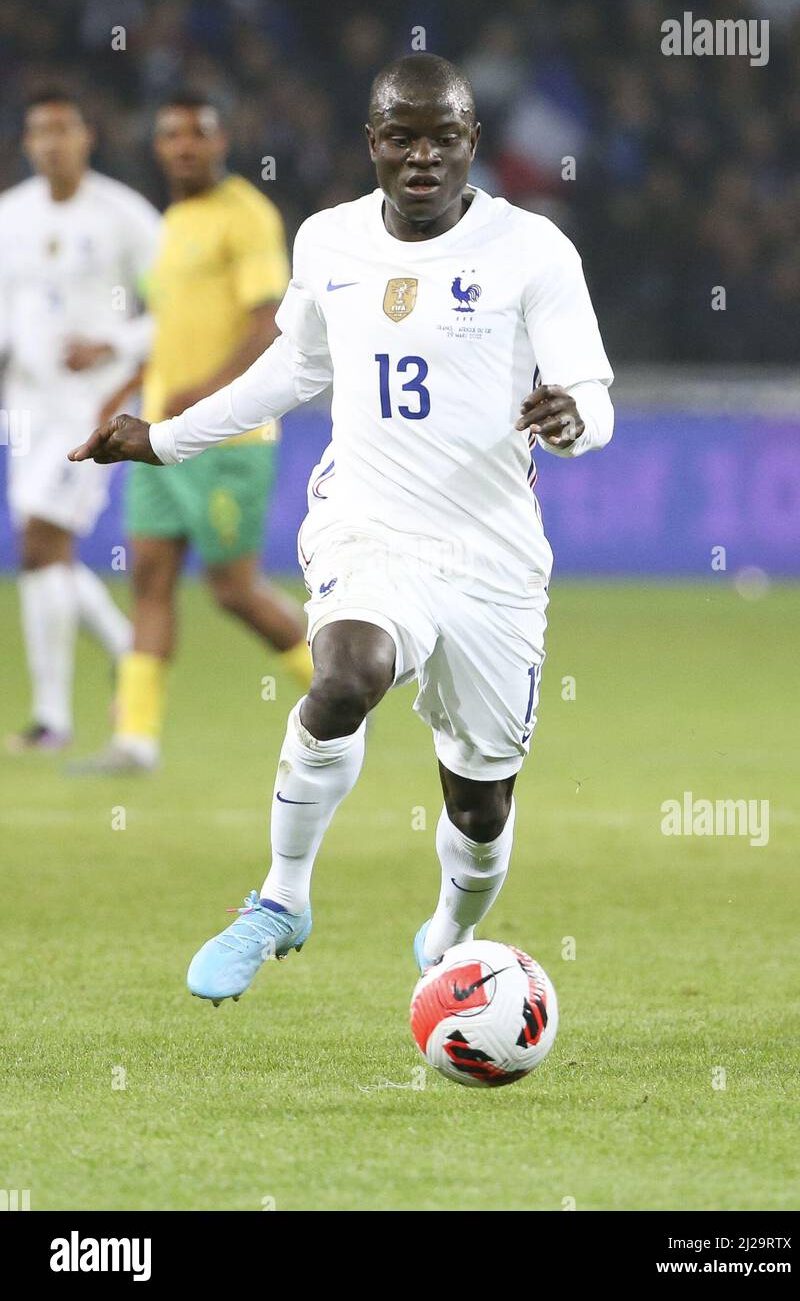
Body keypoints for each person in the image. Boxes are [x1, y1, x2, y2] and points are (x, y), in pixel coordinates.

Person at [69, 54, 615, 994]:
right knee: (345, 676)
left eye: (443, 137)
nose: (421, 157)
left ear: (471, 144)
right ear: (372, 143)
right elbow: (294, 368)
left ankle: (451, 924)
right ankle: (280, 898)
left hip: (492, 556)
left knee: (479, 807)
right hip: (368, 524)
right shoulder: (328, 242)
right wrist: (165, 439)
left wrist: (570, 421)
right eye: (400, 136)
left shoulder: (533, 251)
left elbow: (592, 396)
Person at [72, 94, 312, 774]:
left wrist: (199, 398)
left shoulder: (247, 215)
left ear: (221, 142)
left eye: (196, 135)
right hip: (156, 438)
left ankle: (337, 693)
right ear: (157, 147)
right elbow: (169, 335)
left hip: (227, 440)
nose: (183, 147)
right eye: (170, 135)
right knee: (148, 580)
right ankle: (136, 741)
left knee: (233, 589)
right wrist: (128, 398)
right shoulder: (172, 223)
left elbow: (268, 323)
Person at [1, 90, 160, 752]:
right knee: (42, 546)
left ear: (87, 137)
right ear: (27, 142)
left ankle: (52, 720)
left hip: (96, 407)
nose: (51, 143)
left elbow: (174, 307)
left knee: (41, 534)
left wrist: (114, 347)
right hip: (27, 408)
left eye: (63, 130)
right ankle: (130, 650)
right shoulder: (10, 216)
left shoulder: (125, 215)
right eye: (40, 131)